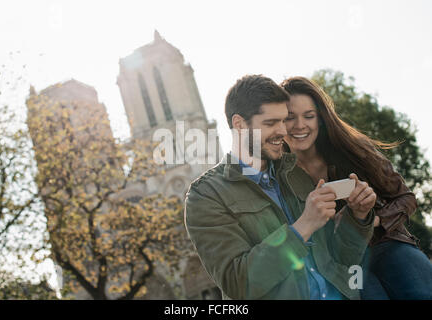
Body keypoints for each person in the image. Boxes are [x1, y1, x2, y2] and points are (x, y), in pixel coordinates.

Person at [184, 74, 376, 300]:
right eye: (270, 123)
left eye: (283, 120)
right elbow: (239, 283)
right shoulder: (205, 196)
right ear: (239, 124)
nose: (283, 131)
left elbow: (343, 259)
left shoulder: (295, 173)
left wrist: (359, 217)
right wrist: (303, 227)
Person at [280, 76, 432, 300]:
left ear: (321, 118)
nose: (300, 125)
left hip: (386, 243)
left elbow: (405, 198)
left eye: (309, 116)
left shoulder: (352, 149)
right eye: (290, 117)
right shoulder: (279, 177)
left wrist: (369, 220)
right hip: (342, 266)